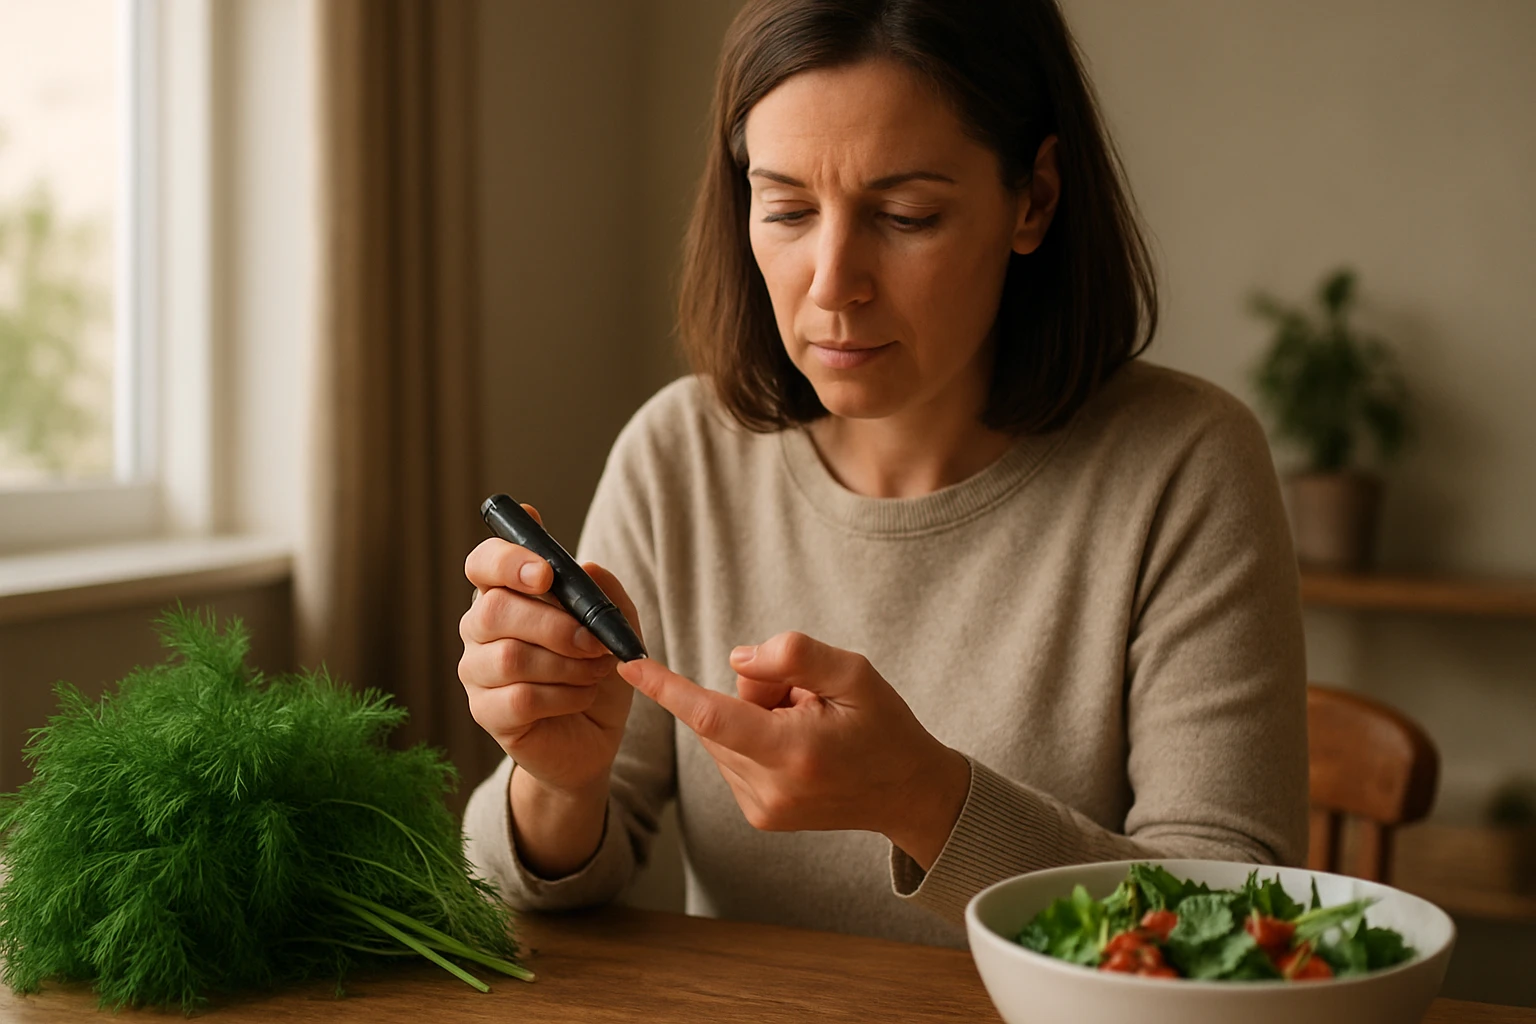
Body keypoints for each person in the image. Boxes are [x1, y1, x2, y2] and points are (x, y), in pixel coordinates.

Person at [458, 0, 1307, 949]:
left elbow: (1234, 924)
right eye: (785, 208)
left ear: (1035, 198)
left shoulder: (1185, 467)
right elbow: (521, 891)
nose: (832, 283)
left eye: (906, 215)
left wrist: (925, 800)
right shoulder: (679, 453)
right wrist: (559, 781)